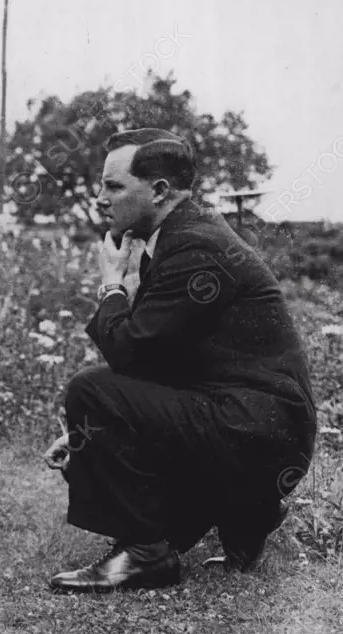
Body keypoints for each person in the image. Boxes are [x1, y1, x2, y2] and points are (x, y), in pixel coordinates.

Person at [44, 128, 317, 591]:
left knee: (89, 390)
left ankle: (146, 553)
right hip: (253, 424)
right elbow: (157, 364)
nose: (99, 199)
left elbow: (129, 354)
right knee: (96, 411)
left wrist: (111, 286)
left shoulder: (194, 245)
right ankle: (248, 509)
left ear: (160, 191)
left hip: (255, 430)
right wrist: (84, 433)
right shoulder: (181, 235)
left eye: (113, 186)